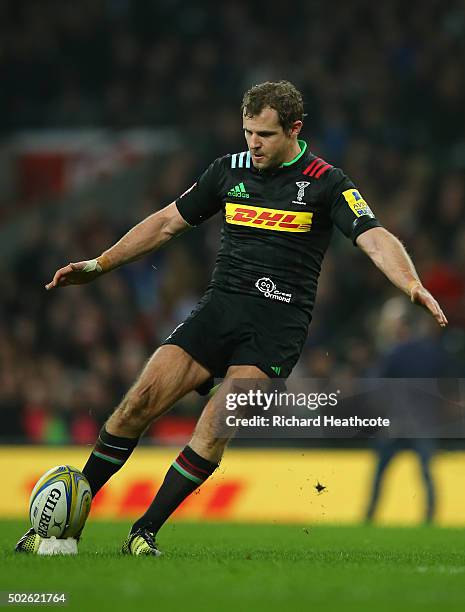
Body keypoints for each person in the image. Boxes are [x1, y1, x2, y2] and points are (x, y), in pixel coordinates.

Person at [15, 80, 447, 555]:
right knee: (137, 402)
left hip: (276, 329)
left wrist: (411, 283)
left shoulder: (327, 182)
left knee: (216, 422)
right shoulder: (227, 172)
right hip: (219, 309)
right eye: (247, 132)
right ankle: (60, 525)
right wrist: (99, 265)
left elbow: (374, 236)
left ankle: (143, 532)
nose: (252, 144)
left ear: (294, 129)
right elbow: (165, 223)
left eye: (263, 134)